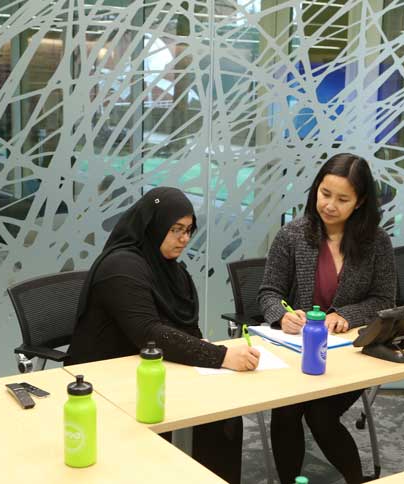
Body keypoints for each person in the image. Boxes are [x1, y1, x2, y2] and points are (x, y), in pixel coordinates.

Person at [67, 186, 260, 484]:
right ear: (153, 226)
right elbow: (149, 333)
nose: (184, 239)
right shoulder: (121, 267)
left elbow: (183, 325)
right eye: (175, 230)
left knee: (222, 414)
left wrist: (201, 347)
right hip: (108, 380)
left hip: (152, 370)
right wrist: (221, 356)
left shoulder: (171, 269)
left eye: (188, 230)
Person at [258, 153, 396, 484]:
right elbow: (268, 293)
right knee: (287, 409)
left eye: (342, 199)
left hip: (348, 356)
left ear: (360, 202)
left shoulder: (377, 243)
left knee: (320, 415)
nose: (330, 205)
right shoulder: (292, 235)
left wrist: (345, 315)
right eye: (324, 193)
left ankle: (354, 479)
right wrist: (282, 315)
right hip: (297, 352)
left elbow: (384, 300)